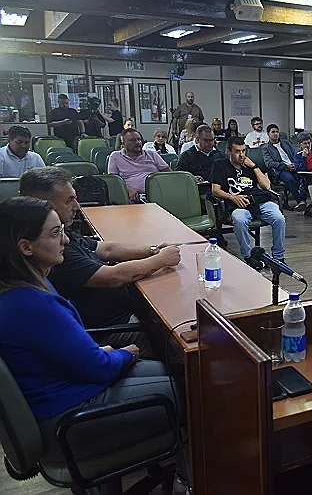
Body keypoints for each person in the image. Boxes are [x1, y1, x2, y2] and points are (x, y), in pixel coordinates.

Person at [0, 196, 189, 493]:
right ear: (26, 247)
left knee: (177, 374)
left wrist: (103, 353)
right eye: (55, 234)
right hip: (68, 421)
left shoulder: (25, 286)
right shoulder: (32, 304)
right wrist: (124, 354)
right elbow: (100, 369)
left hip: (63, 397)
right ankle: (186, 481)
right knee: (194, 392)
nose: (65, 240)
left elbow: (65, 353)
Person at [19, 167, 181, 352]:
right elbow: (113, 277)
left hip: (124, 316)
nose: (77, 206)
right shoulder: (53, 250)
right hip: (111, 331)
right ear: (45, 205)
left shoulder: (60, 234)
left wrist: (152, 251)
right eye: (69, 200)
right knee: (176, 341)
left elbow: (106, 249)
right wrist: (161, 260)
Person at [210, 136, 286, 268]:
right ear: (229, 151)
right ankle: (248, 255)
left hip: (257, 202)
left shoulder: (250, 164)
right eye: (237, 151)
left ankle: (278, 257)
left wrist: (254, 167)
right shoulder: (220, 165)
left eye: (243, 151)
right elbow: (215, 190)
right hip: (237, 205)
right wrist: (232, 197)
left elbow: (267, 186)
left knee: (279, 218)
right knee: (239, 219)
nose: (241, 155)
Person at [107, 128, 170, 202]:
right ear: (123, 144)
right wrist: (128, 189)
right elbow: (113, 181)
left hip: (158, 194)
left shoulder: (151, 154)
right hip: (131, 197)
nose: (137, 142)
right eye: (132, 140)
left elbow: (169, 172)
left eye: (139, 140)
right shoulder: (116, 156)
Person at [263, 123, 307, 211]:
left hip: (293, 166)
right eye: (273, 132)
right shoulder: (266, 148)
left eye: (277, 132)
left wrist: (295, 164)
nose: (276, 134)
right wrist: (286, 167)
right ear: (268, 134)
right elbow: (269, 163)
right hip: (280, 170)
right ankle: (300, 201)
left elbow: (294, 154)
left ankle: (303, 200)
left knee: (303, 177)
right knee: (290, 179)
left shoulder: (286, 143)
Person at [175, 124, 225, 196]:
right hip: (198, 191)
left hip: (219, 188)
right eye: (207, 141)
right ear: (197, 140)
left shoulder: (220, 155)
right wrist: (192, 178)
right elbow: (179, 176)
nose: (211, 143)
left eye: (212, 140)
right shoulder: (187, 156)